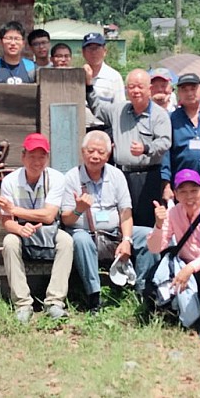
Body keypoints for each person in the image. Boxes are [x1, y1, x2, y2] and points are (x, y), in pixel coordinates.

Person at [61, 131, 155, 312]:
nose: (95, 156)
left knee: (148, 235)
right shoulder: (72, 178)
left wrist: (127, 240)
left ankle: (144, 292)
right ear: (82, 152)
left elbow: (125, 211)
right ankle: (94, 296)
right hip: (86, 233)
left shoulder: (116, 175)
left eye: (100, 152)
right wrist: (78, 209)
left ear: (108, 154)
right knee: (80, 239)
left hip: (114, 232)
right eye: (91, 151)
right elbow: (66, 219)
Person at [0, 133, 73, 323]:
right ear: (23, 157)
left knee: (66, 241)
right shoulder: (10, 181)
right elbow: (7, 220)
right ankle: (22, 304)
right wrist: (20, 229)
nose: (36, 162)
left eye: (41, 157)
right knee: (9, 242)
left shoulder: (56, 178)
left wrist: (15, 210)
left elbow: (48, 215)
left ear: (47, 158)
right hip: (20, 229)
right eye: (32, 156)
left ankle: (54, 302)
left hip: (49, 228)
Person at [148, 169, 200, 341]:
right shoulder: (172, 213)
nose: (189, 197)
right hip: (183, 266)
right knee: (151, 285)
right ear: (176, 195)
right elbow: (156, 248)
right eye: (183, 192)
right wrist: (158, 225)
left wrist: (190, 268)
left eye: (194, 191)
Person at [86, 69, 172, 228]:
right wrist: (89, 86)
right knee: (122, 220)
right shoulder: (119, 110)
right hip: (121, 175)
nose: (135, 91)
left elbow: (165, 142)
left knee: (145, 224)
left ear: (149, 89)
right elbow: (98, 109)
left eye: (140, 86)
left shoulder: (160, 115)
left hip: (147, 176)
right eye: (131, 87)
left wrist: (146, 148)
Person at [161, 73, 200, 201]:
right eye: (184, 90)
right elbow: (166, 155)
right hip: (184, 185)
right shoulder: (171, 119)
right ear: (178, 94)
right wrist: (166, 186)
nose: (189, 93)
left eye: (193, 89)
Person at [81, 32, 125, 108]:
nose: (93, 52)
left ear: (105, 51)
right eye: (89, 48)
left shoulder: (114, 77)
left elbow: (119, 108)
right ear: (83, 52)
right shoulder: (77, 76)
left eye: (97, 48)